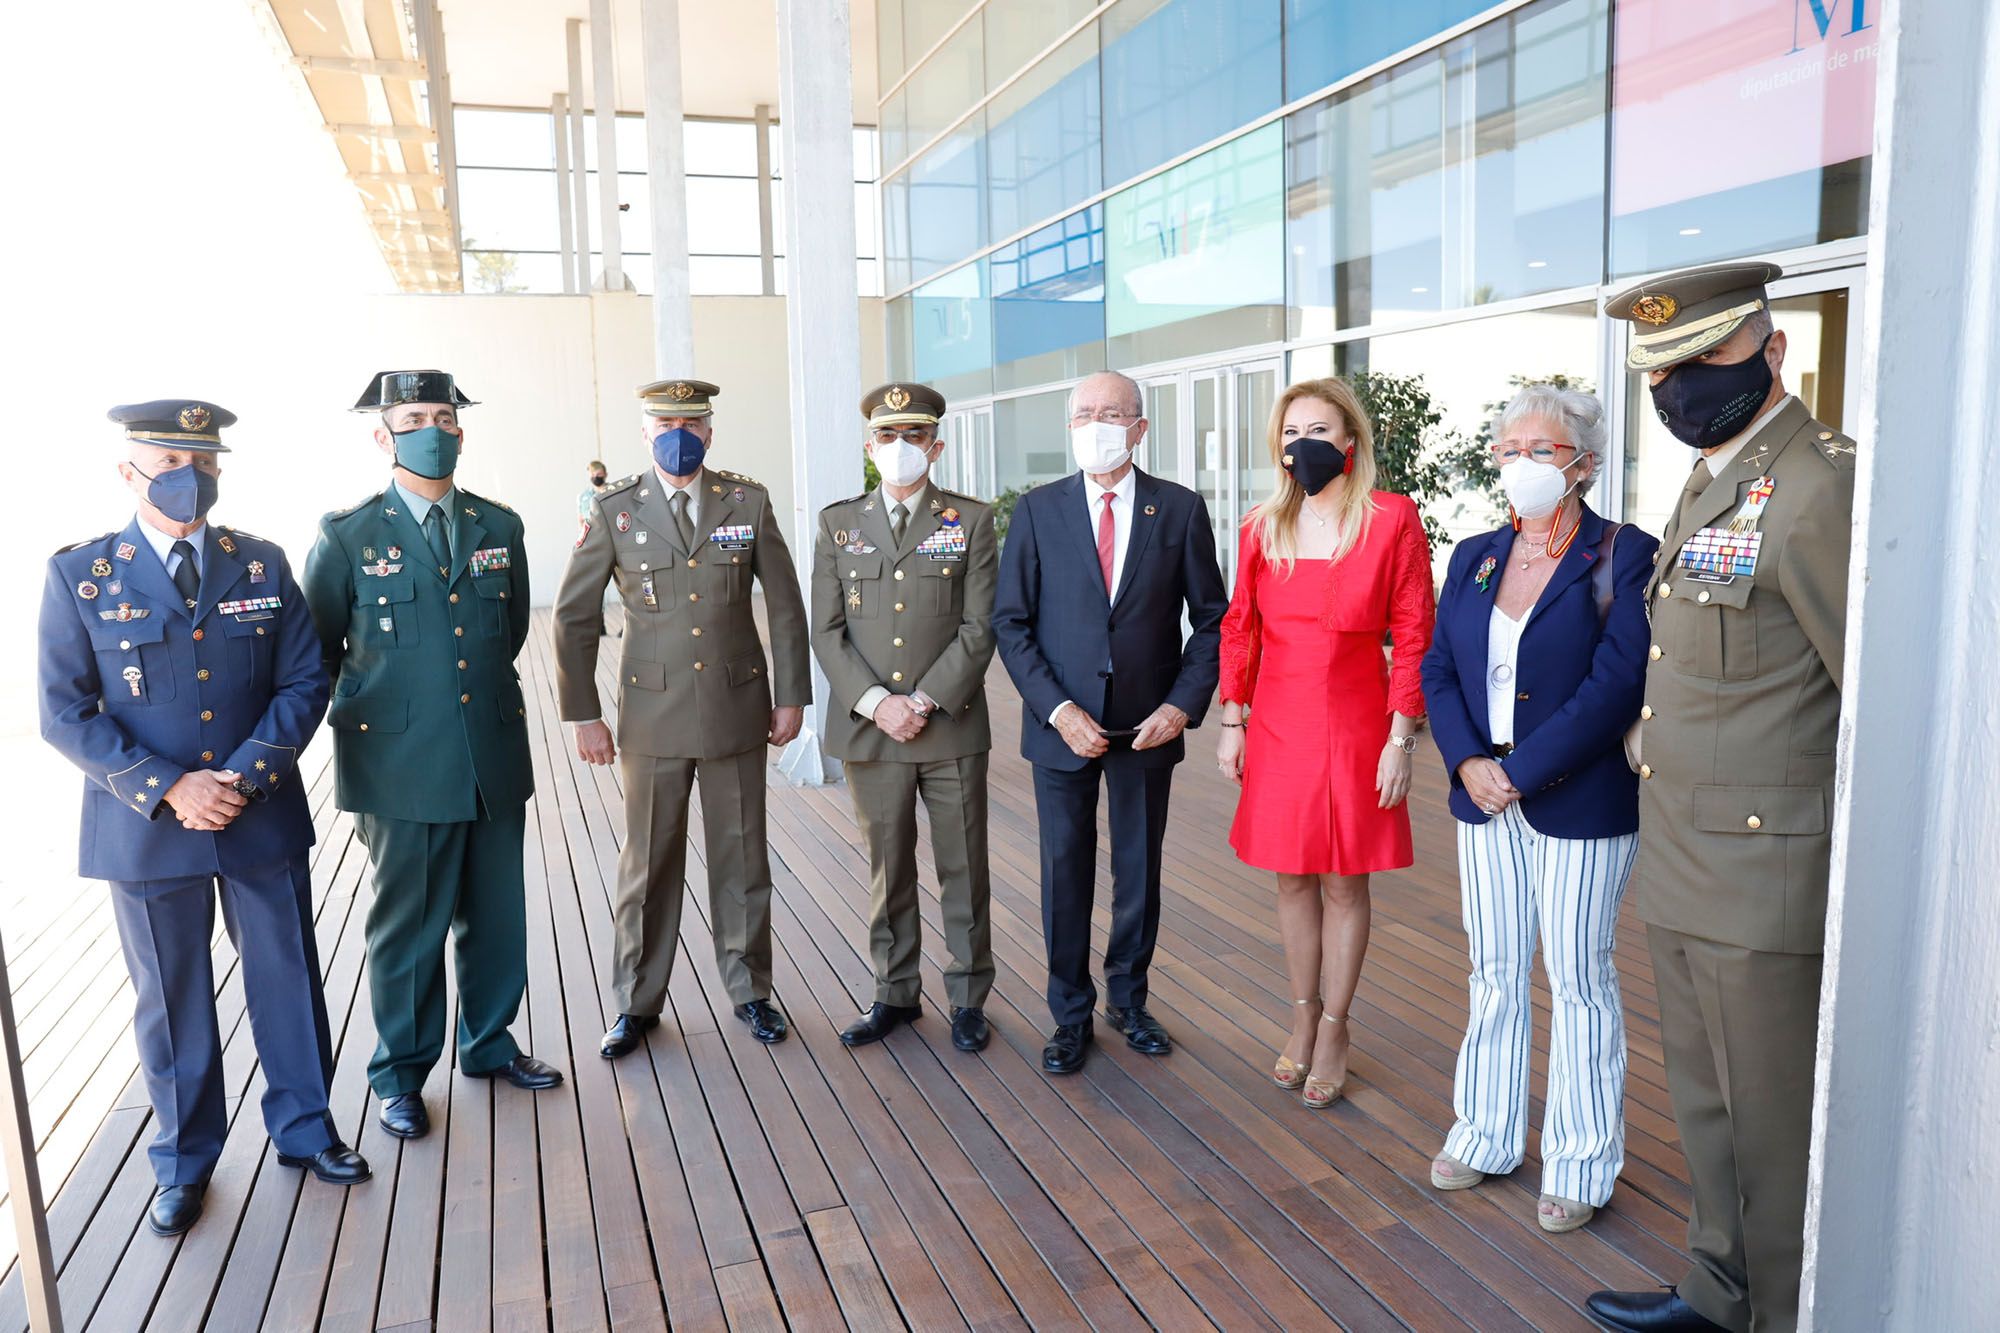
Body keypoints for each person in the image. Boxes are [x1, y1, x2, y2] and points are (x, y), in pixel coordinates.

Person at [1586, 264, 1855, 1333]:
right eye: (1661, 371)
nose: (1680, 388)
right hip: (1685, 853)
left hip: (1764, 868)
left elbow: (1870, 696)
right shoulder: (1714, 474)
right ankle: (1716, 1287)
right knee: (1704, 1106)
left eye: (1704, 360)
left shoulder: (1819, 484)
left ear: (1768, 348)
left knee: (1770, 1125)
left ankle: (1783, 1313)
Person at [40, 400, 368, 1238]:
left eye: (207, 464)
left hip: (256, 814)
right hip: (147, 828)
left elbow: (304, 680)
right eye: (170, 465)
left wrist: (243, 775)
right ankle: (184, 1161)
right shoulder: (82, 576)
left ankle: (306, 1129)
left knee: (288, 979)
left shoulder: (258, 562)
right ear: (130, 472)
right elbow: (65, 711)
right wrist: (170, 787)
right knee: (172, 996)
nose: (193, 480)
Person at [1419, 385, 1658, 1233]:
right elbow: (1439, 667)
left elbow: (1617, 682)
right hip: (1482, 799)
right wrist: (1468, 761)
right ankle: (1485, 1133)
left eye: (1541, 450)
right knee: (1494, 971)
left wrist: (1525, 770)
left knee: (1581, 977)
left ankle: (1582, 1159)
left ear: (1584, 464)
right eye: (1509, 448)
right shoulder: (1477, 553)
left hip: (1581, 802)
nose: (1520, 464)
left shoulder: (1621, 556)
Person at [303, 369, 563, 1145]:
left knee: (496, 912)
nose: (434, 428)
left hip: (489, 750)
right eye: (415, 416)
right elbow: (315, 652)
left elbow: (506, 633)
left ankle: (488, 1043)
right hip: (398, 765)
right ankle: (403, 1074)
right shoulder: (347, 535)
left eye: (445, 415)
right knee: (407, 927)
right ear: (383, 435)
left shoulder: (498, 526)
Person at [552, 378, 811, 1056]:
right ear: (645, 432)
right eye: (665, 421)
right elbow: (575, 615)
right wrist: (583, 713)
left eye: (692, 422)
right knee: (648, 864)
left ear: (710, 431)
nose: (679, 432)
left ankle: (751, 991)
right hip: (651, 715)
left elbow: (784, 605)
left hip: (736, 708)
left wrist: (792, 696)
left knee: (743, 858)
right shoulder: (616, 510)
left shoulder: (745, 501)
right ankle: (637, 1002)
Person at [993, 370, 1227, 1075]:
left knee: (1138, 869)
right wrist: (1057, 710)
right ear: (1070, 426)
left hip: (1146, 728)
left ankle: (1129, 998)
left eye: (1114, 413)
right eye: (1087, 413)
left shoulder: (1179, 510)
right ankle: (1069, 1012)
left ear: (1140, 428)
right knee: (1064, 871)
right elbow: (1012, 622)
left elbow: (1213, 621)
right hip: (1061, 727)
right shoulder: (1037, 511)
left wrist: (1180, 706)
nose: (1100, 423)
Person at [1216, 377, 1434, 1109]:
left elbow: (1414, 633)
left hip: (1357, 721)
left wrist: (1400, 738)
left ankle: (1336, 1027)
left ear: (1349, 443)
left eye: (1317, 431)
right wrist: (1232, 720)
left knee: (1345, 878)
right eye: (1289, 432)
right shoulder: (1259, 525)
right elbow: (1239, 626)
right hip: (1279, 721)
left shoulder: (1391, 518)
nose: (1300, 444)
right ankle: (1302, 1013)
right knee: (1290, 875)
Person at [810, 383, 998, 1052]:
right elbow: (826, 630)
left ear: (935, 445)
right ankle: (894, 991)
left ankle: (970, 996)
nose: (900, 447)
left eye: (914, 435)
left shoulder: (969, 522)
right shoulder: (839, 525)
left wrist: (920, 700)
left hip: (948, 723)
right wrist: (878, 704)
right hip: (871, 727)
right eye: (887, 436)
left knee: (962, 865)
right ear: (870, 447)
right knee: (887, 864)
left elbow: (980, 627)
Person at [578, 459, 612, 637]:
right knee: (595, 586)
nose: (596, 478)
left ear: (605, 474)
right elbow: (581, 521)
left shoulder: (614, 492)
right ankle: (600, 622)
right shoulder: (584, 496)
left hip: (614, 542)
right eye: (592, 475)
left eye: (598, 475)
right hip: (593, 545)